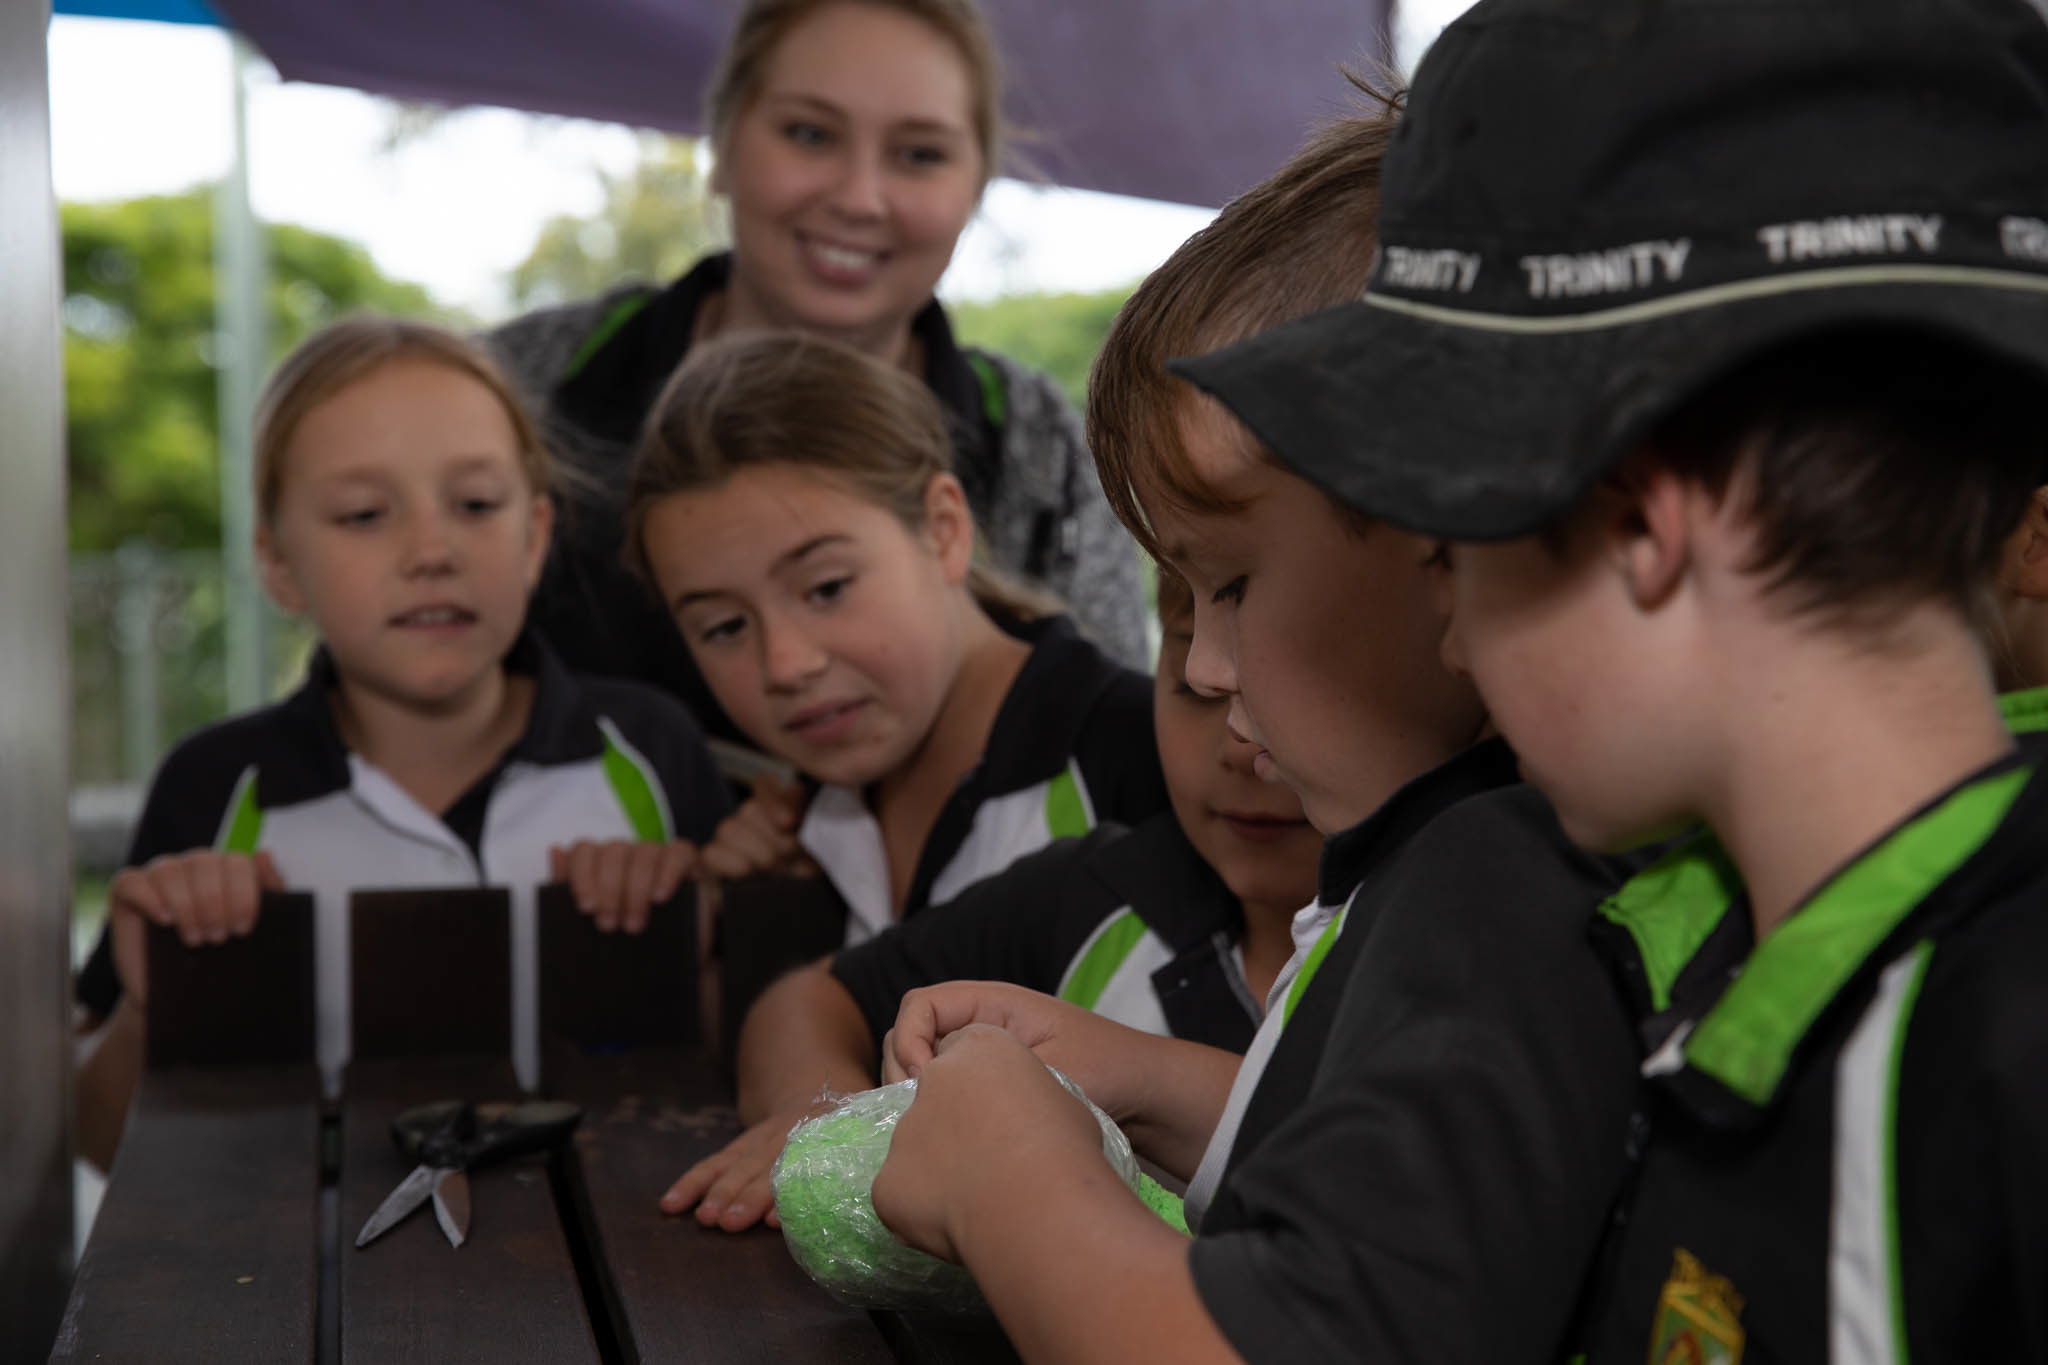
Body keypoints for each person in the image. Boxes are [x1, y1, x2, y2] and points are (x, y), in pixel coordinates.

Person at [1166, 0, 2048, 1357]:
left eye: (1457, 554)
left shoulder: (1992, 1038)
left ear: (1640, 525)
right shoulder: (1741, 954)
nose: (1452, 643)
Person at [862, 97, 1650, 1365]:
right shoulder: (1445, 866)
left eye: (1229, 584)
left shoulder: (1494, 889)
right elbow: (1435, 1203)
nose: (1204, 667)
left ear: (1448, 545)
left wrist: (1003, 1170)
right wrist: (1149, 1080)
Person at [73, 317, 732, 1168]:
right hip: (296, 1251)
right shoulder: (215, 787)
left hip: (619, 1237)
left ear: (535, 537)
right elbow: (99, 1143)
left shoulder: (651, 749)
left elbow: (748, 1082)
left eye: (476, 504)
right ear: (278, 564)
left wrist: (690, 945)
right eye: (363, 513)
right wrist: (149, 1004)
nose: (431, 550)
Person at [487, 0, 1148, 744]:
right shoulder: (520, 384)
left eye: (920, 155)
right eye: (810, 134)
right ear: (724, 143)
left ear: (976, 186)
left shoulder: (1044, 454)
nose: (859, 198)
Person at [660, 567, 1320, 1231]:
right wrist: (827, 1117)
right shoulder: (1094, 887)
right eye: (1197, 689)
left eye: (1302, 677)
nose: (1240, 744)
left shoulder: (1387, 968)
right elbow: (810, 1000)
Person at [623, 330, 1167, 953]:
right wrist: (753, 927)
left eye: (827, 588)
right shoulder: (793, 834)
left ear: (944, 529)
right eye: (724, 627)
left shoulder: (1157, 772)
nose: (786, 665)